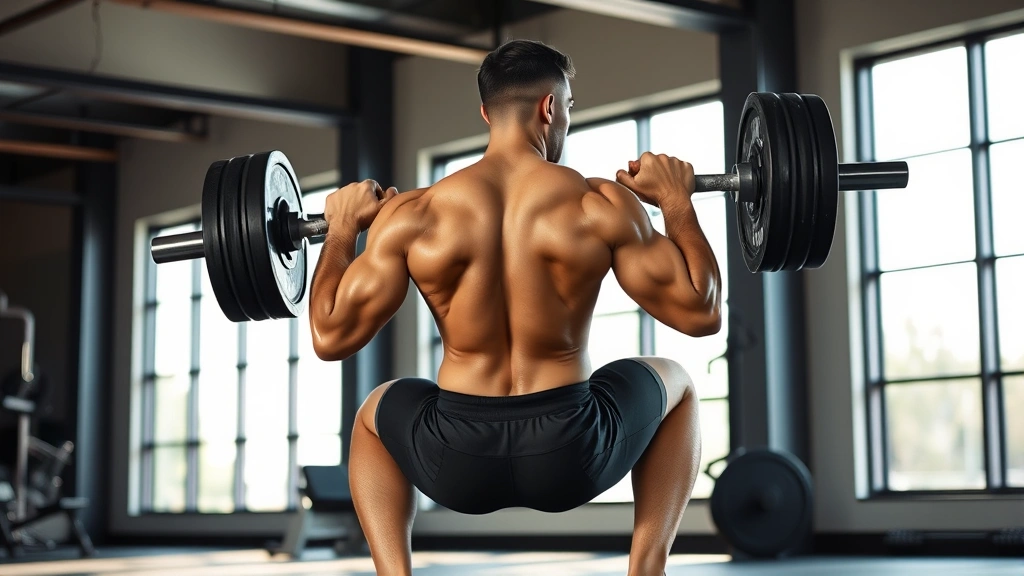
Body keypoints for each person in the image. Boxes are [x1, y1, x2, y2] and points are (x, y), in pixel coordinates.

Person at [309, 39, 722, 576]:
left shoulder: (414, 215)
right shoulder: (598, 204)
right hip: (570, 454)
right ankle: (646, 568)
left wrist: (342, 231)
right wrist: (676, 203)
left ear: (486, 113)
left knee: (374, 413)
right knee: (678, 384)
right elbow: (701, 311)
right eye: (568, 106)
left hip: (454, 460)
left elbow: (330, 336)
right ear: (550, 107)